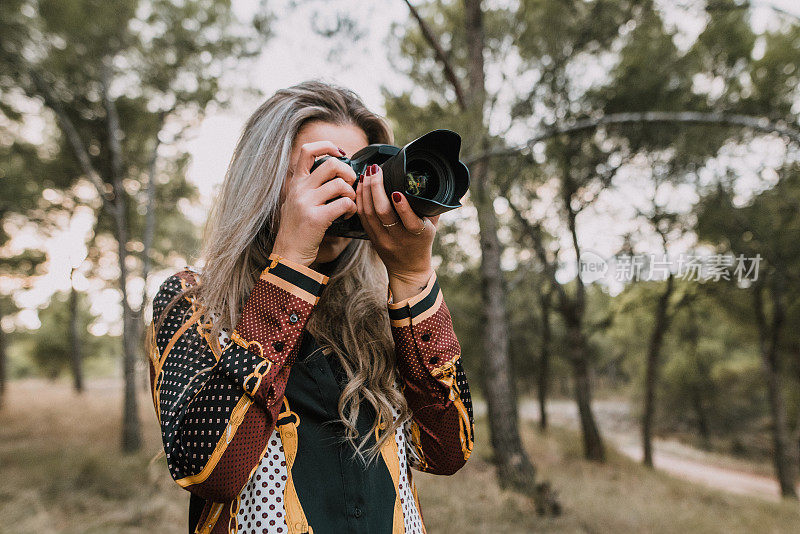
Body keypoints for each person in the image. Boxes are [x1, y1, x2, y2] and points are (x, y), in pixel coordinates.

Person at [147, 80, 474, 534]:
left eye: (359, 171)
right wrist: (291, 265)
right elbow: (208, 471)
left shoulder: (388, 306)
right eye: (324, 167)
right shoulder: (194, 302)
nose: (344, 186)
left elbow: (448, 451)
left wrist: (413, 277)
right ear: (264, 178)